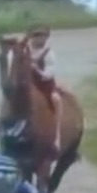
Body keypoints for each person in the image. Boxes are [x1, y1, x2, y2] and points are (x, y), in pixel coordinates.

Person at [26, 24, 62, 155]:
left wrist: (37, 70)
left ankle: (57, 135)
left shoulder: (49, 53)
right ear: (31, 37)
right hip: (27, 85)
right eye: (36, 35)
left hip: (44, 86)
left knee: (56, 100)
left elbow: (49, 74)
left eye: (43, 36)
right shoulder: (25, 50)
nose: (40, 39)